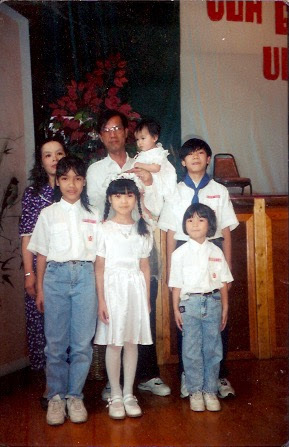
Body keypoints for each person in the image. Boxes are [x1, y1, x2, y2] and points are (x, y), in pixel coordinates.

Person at [87, 109, 170, 398]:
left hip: (142, 240)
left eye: (117, 128)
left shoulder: (144, 162)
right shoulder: (96, 170)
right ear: (101, 136)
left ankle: (147, 375)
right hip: (112, 245)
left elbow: (158, 203)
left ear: (126, 132)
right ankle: (115, 383)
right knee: (115, 315)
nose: (112, 133)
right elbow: (97, 210)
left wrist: (147, 182)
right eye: (106, 129)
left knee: (144, 308)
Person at [158, 138, 238, 399]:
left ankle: (219, 376)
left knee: (216, 318)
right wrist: (171, 270)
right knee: (187, 320)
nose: (195, 157)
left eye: (201, 153)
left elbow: (225, 230)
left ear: (208, 159)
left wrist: (227, 266)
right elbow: (170, 233)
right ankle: (187, 376)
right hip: (184, 253)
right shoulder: (175, 192)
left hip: (213, 255)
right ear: (182, 161)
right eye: (190, 154)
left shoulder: (219, 191)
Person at [27, 155, 100, 426]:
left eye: (78, 179)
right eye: (66, 178)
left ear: (84, 183)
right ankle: (56, 397)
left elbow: (100, 257)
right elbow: (42, 255)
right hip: (55, 278)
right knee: (55, 344)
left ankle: (74, 395)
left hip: (85, 277)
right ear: (58, 182)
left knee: (82, 343)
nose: (72, 184)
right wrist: (41, 289)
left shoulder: (93, 216)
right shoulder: (48, 214)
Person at [94, 174, 153, 419]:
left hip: (135, 289)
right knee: (114, 342)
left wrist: (147, 299)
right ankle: (115, 394)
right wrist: (102, 301)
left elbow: (145, 266)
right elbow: (99, 266)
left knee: (131, 342)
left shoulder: (143, 229)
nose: (124, 201)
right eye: (118, 195)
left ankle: (129, 393)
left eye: (129, 195)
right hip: (112, 290)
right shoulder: (104, 229)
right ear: (110, 199)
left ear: (136, 198)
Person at [169, 203, 233, 412]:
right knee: (191, 350)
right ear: (184, 225)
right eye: (190, 220)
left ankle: (210, 390)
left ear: (210, 225)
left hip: (213, 303)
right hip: (190, 305)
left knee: (213, 349)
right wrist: (176, 309)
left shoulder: (216, 251)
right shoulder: (179, 253)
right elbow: (176, 284)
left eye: (201, 219)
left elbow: (223, 281)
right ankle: (195, 390)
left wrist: (225, 306)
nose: (195, 224)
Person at [19, 137, 67, 374]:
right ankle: (51, 387)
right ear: (41, 161)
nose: (55, 159)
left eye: (59, 153)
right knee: (43, 324)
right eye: (48, 155)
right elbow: (27, 237)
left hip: (68, 269)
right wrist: (29, 274)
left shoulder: (72, 189)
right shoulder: (33, 194)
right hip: (40, 270)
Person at [133, 118, 177, 203]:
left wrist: (141, 165)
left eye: (143, 138)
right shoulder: (143, 153)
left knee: (156, 201)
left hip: (158, 182)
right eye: (137, 139)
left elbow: (156, 168)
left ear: (154, 138)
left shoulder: (158, 152)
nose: (139, 143)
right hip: (147, 182)